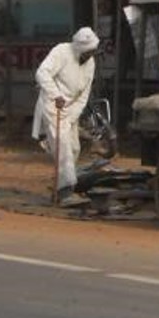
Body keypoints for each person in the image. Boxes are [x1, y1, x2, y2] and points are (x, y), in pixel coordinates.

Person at [33, 26, 100, 207]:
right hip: (52, 104)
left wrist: (71, 117)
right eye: (88, 51)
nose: (90, 55)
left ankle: (61, 185)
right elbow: (42, 73)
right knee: (62, 147)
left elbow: (84, 94)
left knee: (74, 149)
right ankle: (65, 192)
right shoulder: (61, 51)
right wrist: (56, 95)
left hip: (70, 109)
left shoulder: (90, 63)